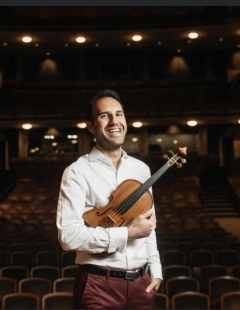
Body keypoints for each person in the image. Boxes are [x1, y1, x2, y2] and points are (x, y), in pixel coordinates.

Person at [56, 89, 162, 309]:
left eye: (119, 114)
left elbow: (148, 226)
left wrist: (156, 271)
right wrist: (127, 234)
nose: (115, 121)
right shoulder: (77, 172)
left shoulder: (141, 169)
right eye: (105, 115)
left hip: (142, 283)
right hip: (97, 285)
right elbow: (68, 237)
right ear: (91, 126)